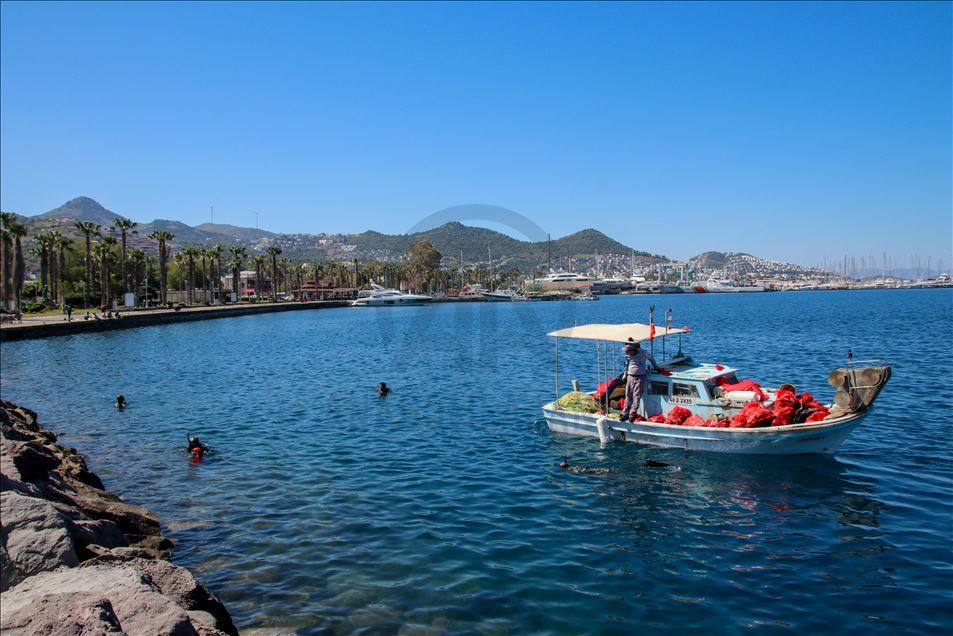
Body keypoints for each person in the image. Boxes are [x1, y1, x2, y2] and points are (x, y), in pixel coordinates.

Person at [618, 339, 659, 423]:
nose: (629, 352)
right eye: (628, 351)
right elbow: (626, 365)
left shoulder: (643, 352)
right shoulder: (627, 355)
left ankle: (631, 415)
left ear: (635, 348)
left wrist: (656, 366)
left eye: (630, 351)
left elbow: (651, 358)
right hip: (630, 376)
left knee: (636, 396)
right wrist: (625, 374)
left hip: (640, 377)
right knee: (628, 396)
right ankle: (625, 414)